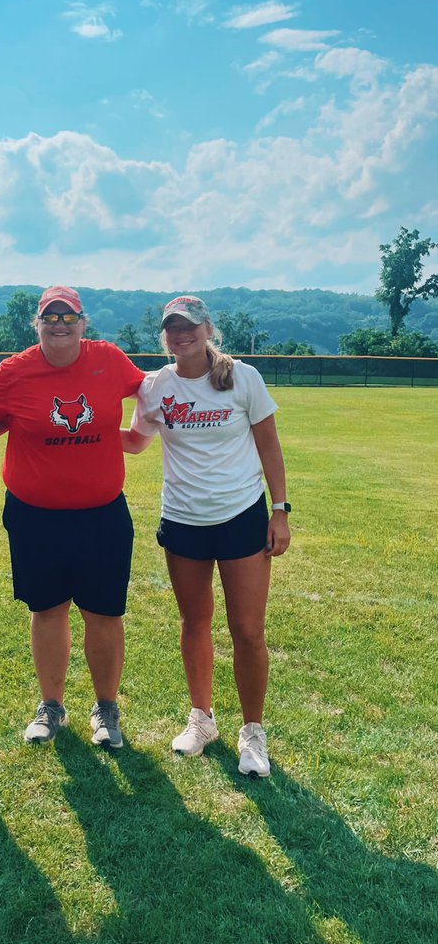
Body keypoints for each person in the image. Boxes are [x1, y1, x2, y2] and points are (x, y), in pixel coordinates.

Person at [122, 295, 291, 778]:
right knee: (194, 623)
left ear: (207, 328)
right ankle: (202, 719)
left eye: (190, 326)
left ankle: (253, 733)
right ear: (165, 334)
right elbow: (136, 442)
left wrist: (280, 511)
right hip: (182, 520)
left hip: (241, 517)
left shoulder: (243, 377)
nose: (181, 334)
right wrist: (80, 432)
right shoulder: (155, 386)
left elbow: (269, 445)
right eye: (172, 328)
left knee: (248, 630)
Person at [0, 286, 146, 749]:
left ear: (83, 323)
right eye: (50, 317)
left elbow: (155, 390)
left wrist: (139, 435)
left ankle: (106, 709)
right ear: (38, 324)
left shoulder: (108, 359)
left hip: (102, 515)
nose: (59, 325)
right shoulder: (15, 370)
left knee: (104, 613)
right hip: (35, 516)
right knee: (47, 610)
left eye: (68, 317)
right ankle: (51, 706)